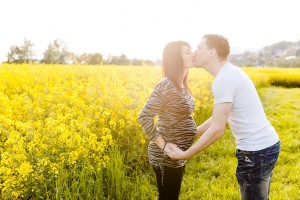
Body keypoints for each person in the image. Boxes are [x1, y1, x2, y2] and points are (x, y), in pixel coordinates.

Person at [167, 34, 280, 200]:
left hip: (257, 153)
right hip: (265, 147)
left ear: (212, 52)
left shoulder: (224, 79)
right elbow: (217, 117)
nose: (195, 52)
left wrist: (185, 154)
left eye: (199, 48)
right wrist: (191, 134)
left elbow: (217, 129)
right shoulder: (228, 73)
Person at [138, 41, 196, 200]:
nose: (193, 54)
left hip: (177, 156)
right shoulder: (167, 85)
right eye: (187, 51)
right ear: (176, 58)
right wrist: (163, 146)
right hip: (165, 157)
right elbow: (144, 116)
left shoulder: (182, 85)